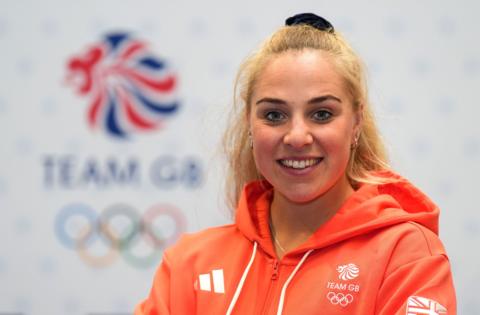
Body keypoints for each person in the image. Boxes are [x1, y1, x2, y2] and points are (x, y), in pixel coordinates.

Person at [135, 13, 456, 314]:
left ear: (356, 123)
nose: (297, 136)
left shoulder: (405, 256)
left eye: (322, 114)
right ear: (250, 123)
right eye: (274, 115)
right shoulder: (190, 262)